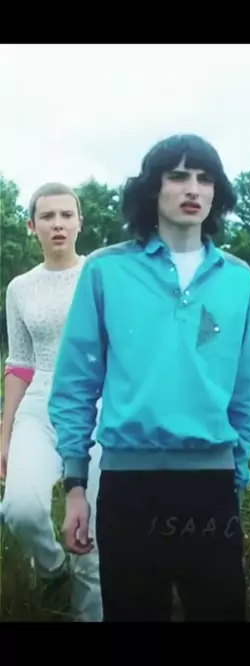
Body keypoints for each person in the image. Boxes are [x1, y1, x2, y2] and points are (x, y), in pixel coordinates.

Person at [47, 133, 250, 622]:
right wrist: (76, 483)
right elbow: (77, 382)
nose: (193, 188)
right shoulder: (106, 271)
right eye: (179, 176)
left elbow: (248, 387)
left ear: (216, 192)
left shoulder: (238, 278)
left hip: (211, 484)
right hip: (129, 484)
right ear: (153, 188)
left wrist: (237, 473)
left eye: (205, 178)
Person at [0, 182, 103, 622]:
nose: (57, 224)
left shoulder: (100, 275)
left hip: (98, 402)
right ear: (32, 226)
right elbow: (19, 363)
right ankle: (52, 568)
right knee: (20, 507)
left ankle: (88, 613)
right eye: (47, 216)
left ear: (80, 222)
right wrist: (5, 433)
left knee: (93, 526)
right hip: (40, 402)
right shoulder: (19, 288)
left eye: (66, 215)